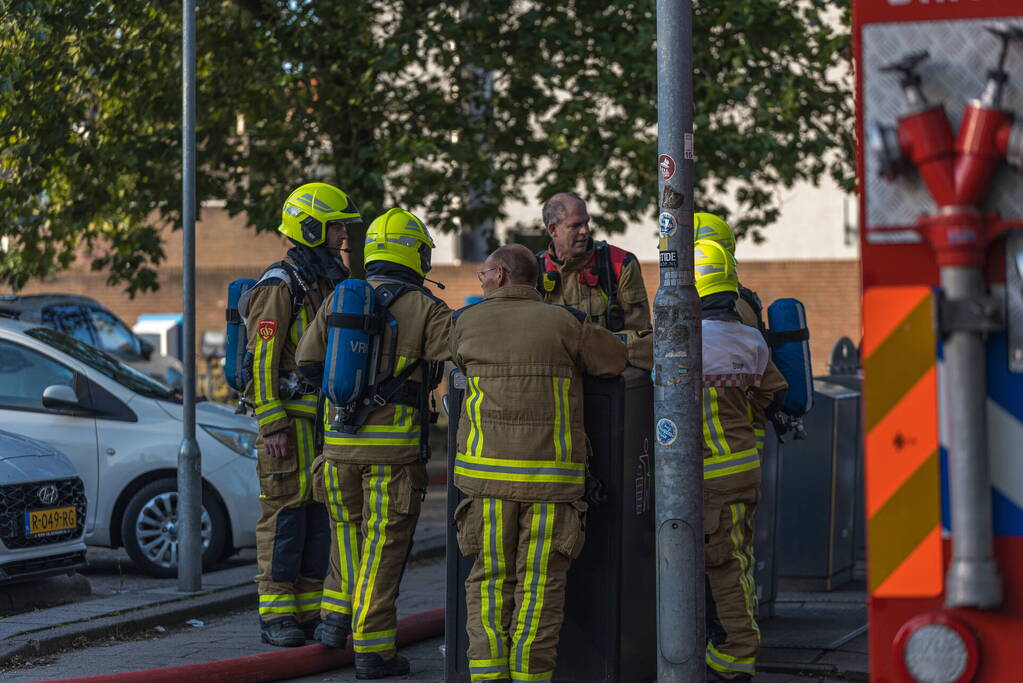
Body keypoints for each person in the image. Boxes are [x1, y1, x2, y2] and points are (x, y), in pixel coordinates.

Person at [450, 244, 628, 683]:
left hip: (486, 482)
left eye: (486, 274)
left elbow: (456, 365)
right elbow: (614, 361)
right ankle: (531, 676)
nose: (483, 281)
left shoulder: (465, 323)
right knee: (541, 586)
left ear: (504, 275)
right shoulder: (567, 323)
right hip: (552, 483)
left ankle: (488, 676)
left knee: (489, 581)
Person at [295, 208, 451, 679]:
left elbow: (306, 364)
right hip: (393, 459)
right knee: (383, 549)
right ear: (413, 251)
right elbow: (461, 359)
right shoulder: (425, 307)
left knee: (347, 540)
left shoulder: (343, 297)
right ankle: (374, 650)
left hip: (337, 450)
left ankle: (333, 620)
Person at [243, 182, 360, 647]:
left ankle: (309, 612)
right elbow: (261, 360)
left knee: (317, 516)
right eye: (334, 228)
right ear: (310, 227)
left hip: (322, 423)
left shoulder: (325, 279)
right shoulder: (280, 283)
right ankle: (275, 615)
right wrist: (271, 423)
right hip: (288, 426)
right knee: (285, 515)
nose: (341, 237)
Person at [692, 239, 787, 682]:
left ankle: (734, 659)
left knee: (723, 571)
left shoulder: (683, 342)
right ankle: (728, 651)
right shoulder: (750, 338)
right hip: (743, 467)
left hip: (707, 475)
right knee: (737, 564)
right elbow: (773, 392)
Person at [536, 192, 650, 334]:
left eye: (586, 223)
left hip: (610, 355)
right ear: (553, 229)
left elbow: (639, 337)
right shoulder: (534, 271)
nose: (585, 231)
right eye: (576, 225)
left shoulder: (618, 263)